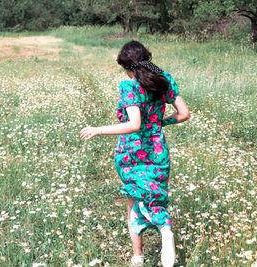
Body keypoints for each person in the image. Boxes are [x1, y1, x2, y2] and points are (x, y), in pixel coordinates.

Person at [80, 40, 190, 267]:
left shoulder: (129, 86)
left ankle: (138, 257)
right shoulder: (164, 79)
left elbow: (134, 124)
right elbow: (184, 114)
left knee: (133, 203)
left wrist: (98, 130)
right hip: (158, 151)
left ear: (128, 66)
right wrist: (160, 122)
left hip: (133, 152)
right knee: (154, 196)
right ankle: (164, 227)